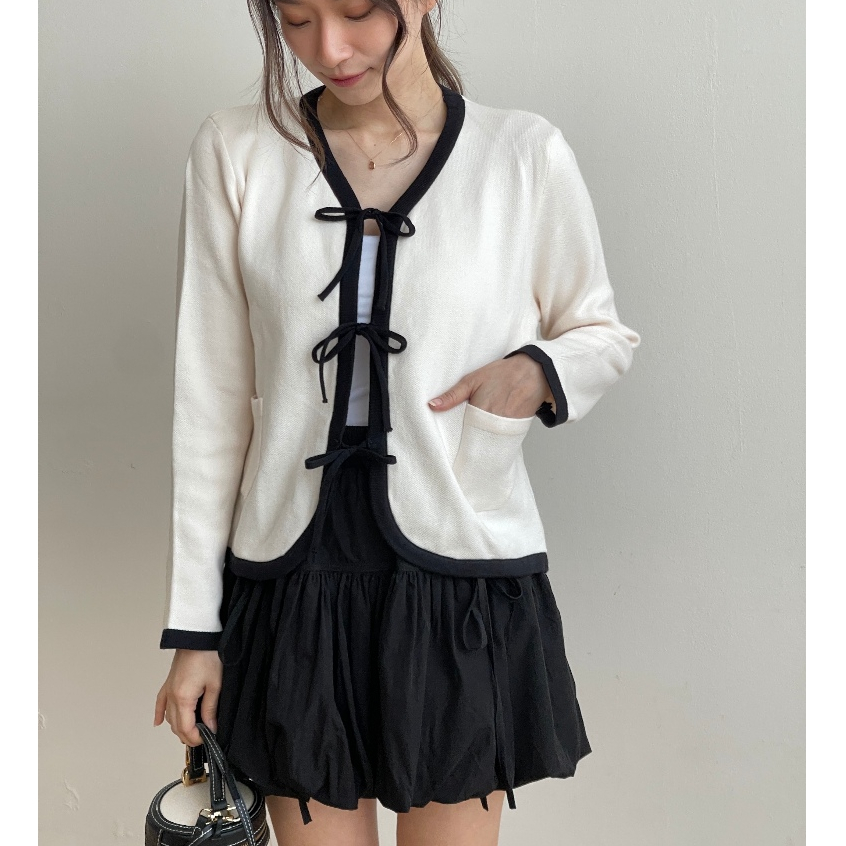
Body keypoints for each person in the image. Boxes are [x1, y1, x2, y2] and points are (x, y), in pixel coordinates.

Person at [153, 0, 641, 843]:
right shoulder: (236, 150)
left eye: (357, 12)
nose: (329, 48)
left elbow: (601, 331)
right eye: (296, 20)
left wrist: (536, 372)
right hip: (292, 581)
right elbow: (210, 401)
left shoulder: (521, 153)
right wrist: (195, 631)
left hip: (460, 581)